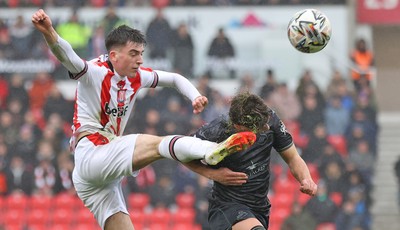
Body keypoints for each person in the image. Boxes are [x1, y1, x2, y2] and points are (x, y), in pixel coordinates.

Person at [31, 9, 256, 230]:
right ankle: (212, 149)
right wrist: (49, 32)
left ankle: (210, 151)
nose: (140, 60)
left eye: (141, 53)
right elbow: (67, 56)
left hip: (95, 177)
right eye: (133, 53)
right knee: (159, 144)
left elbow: (175, 78)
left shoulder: (137, 76)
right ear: (114, 56)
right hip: (92, 151)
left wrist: (195, 95)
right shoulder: (94, 72)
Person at [184, 92, 318, 230]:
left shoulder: (270, 119)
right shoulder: (217, 129)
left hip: (259, 208)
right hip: (227, 206)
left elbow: (293, 157)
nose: (266, 128)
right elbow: (182, 153)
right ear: (238, 126)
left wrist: (306, 179)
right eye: (260, 128)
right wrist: (213, 175)